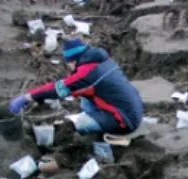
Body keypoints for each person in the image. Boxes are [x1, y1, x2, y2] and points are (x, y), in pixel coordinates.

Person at [8, 38, 144, 136]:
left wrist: (27, 96)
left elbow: (57, 88)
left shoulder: (87, 74)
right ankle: (98, 119)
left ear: (73, 61)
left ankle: (94, 133)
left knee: (81, 123)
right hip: (134, 109)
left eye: (68, 64)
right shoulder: (101, 59)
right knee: (85, 96)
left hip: (125, 121)